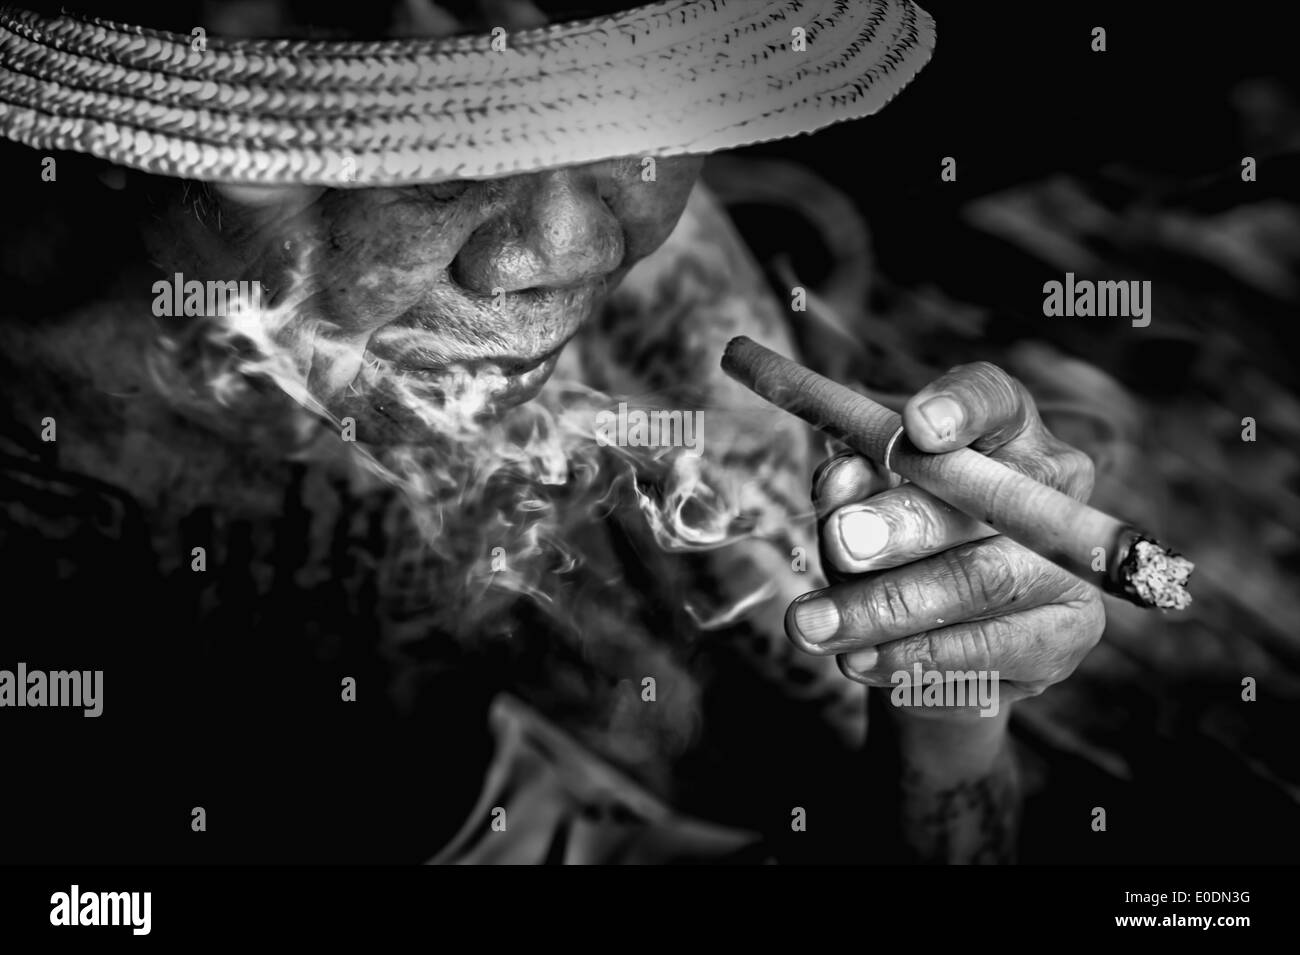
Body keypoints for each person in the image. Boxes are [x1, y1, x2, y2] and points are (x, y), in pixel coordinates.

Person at [0, 0, 1102, 863]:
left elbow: (863, 773)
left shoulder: (646, 288)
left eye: (639, 125)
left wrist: (953, 690)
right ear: (138, 136)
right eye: (443, 151)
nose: (566, 250)